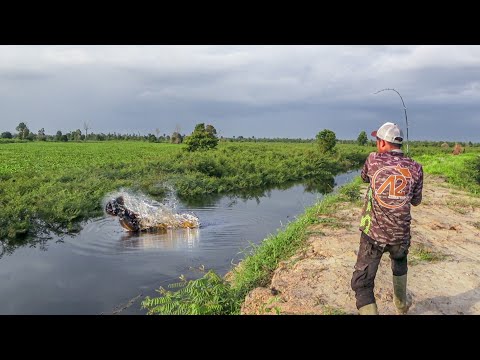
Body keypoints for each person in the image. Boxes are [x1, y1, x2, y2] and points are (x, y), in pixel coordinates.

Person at [351, 122, 423, 315]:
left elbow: (364, 177)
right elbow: (416, 201)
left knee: (362, 284)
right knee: (399, 264)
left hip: (373, 235)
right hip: (401, 235)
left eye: (377, 140)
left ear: (383, 143)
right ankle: (401, 307)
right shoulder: (416, 167)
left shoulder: (374, 160)